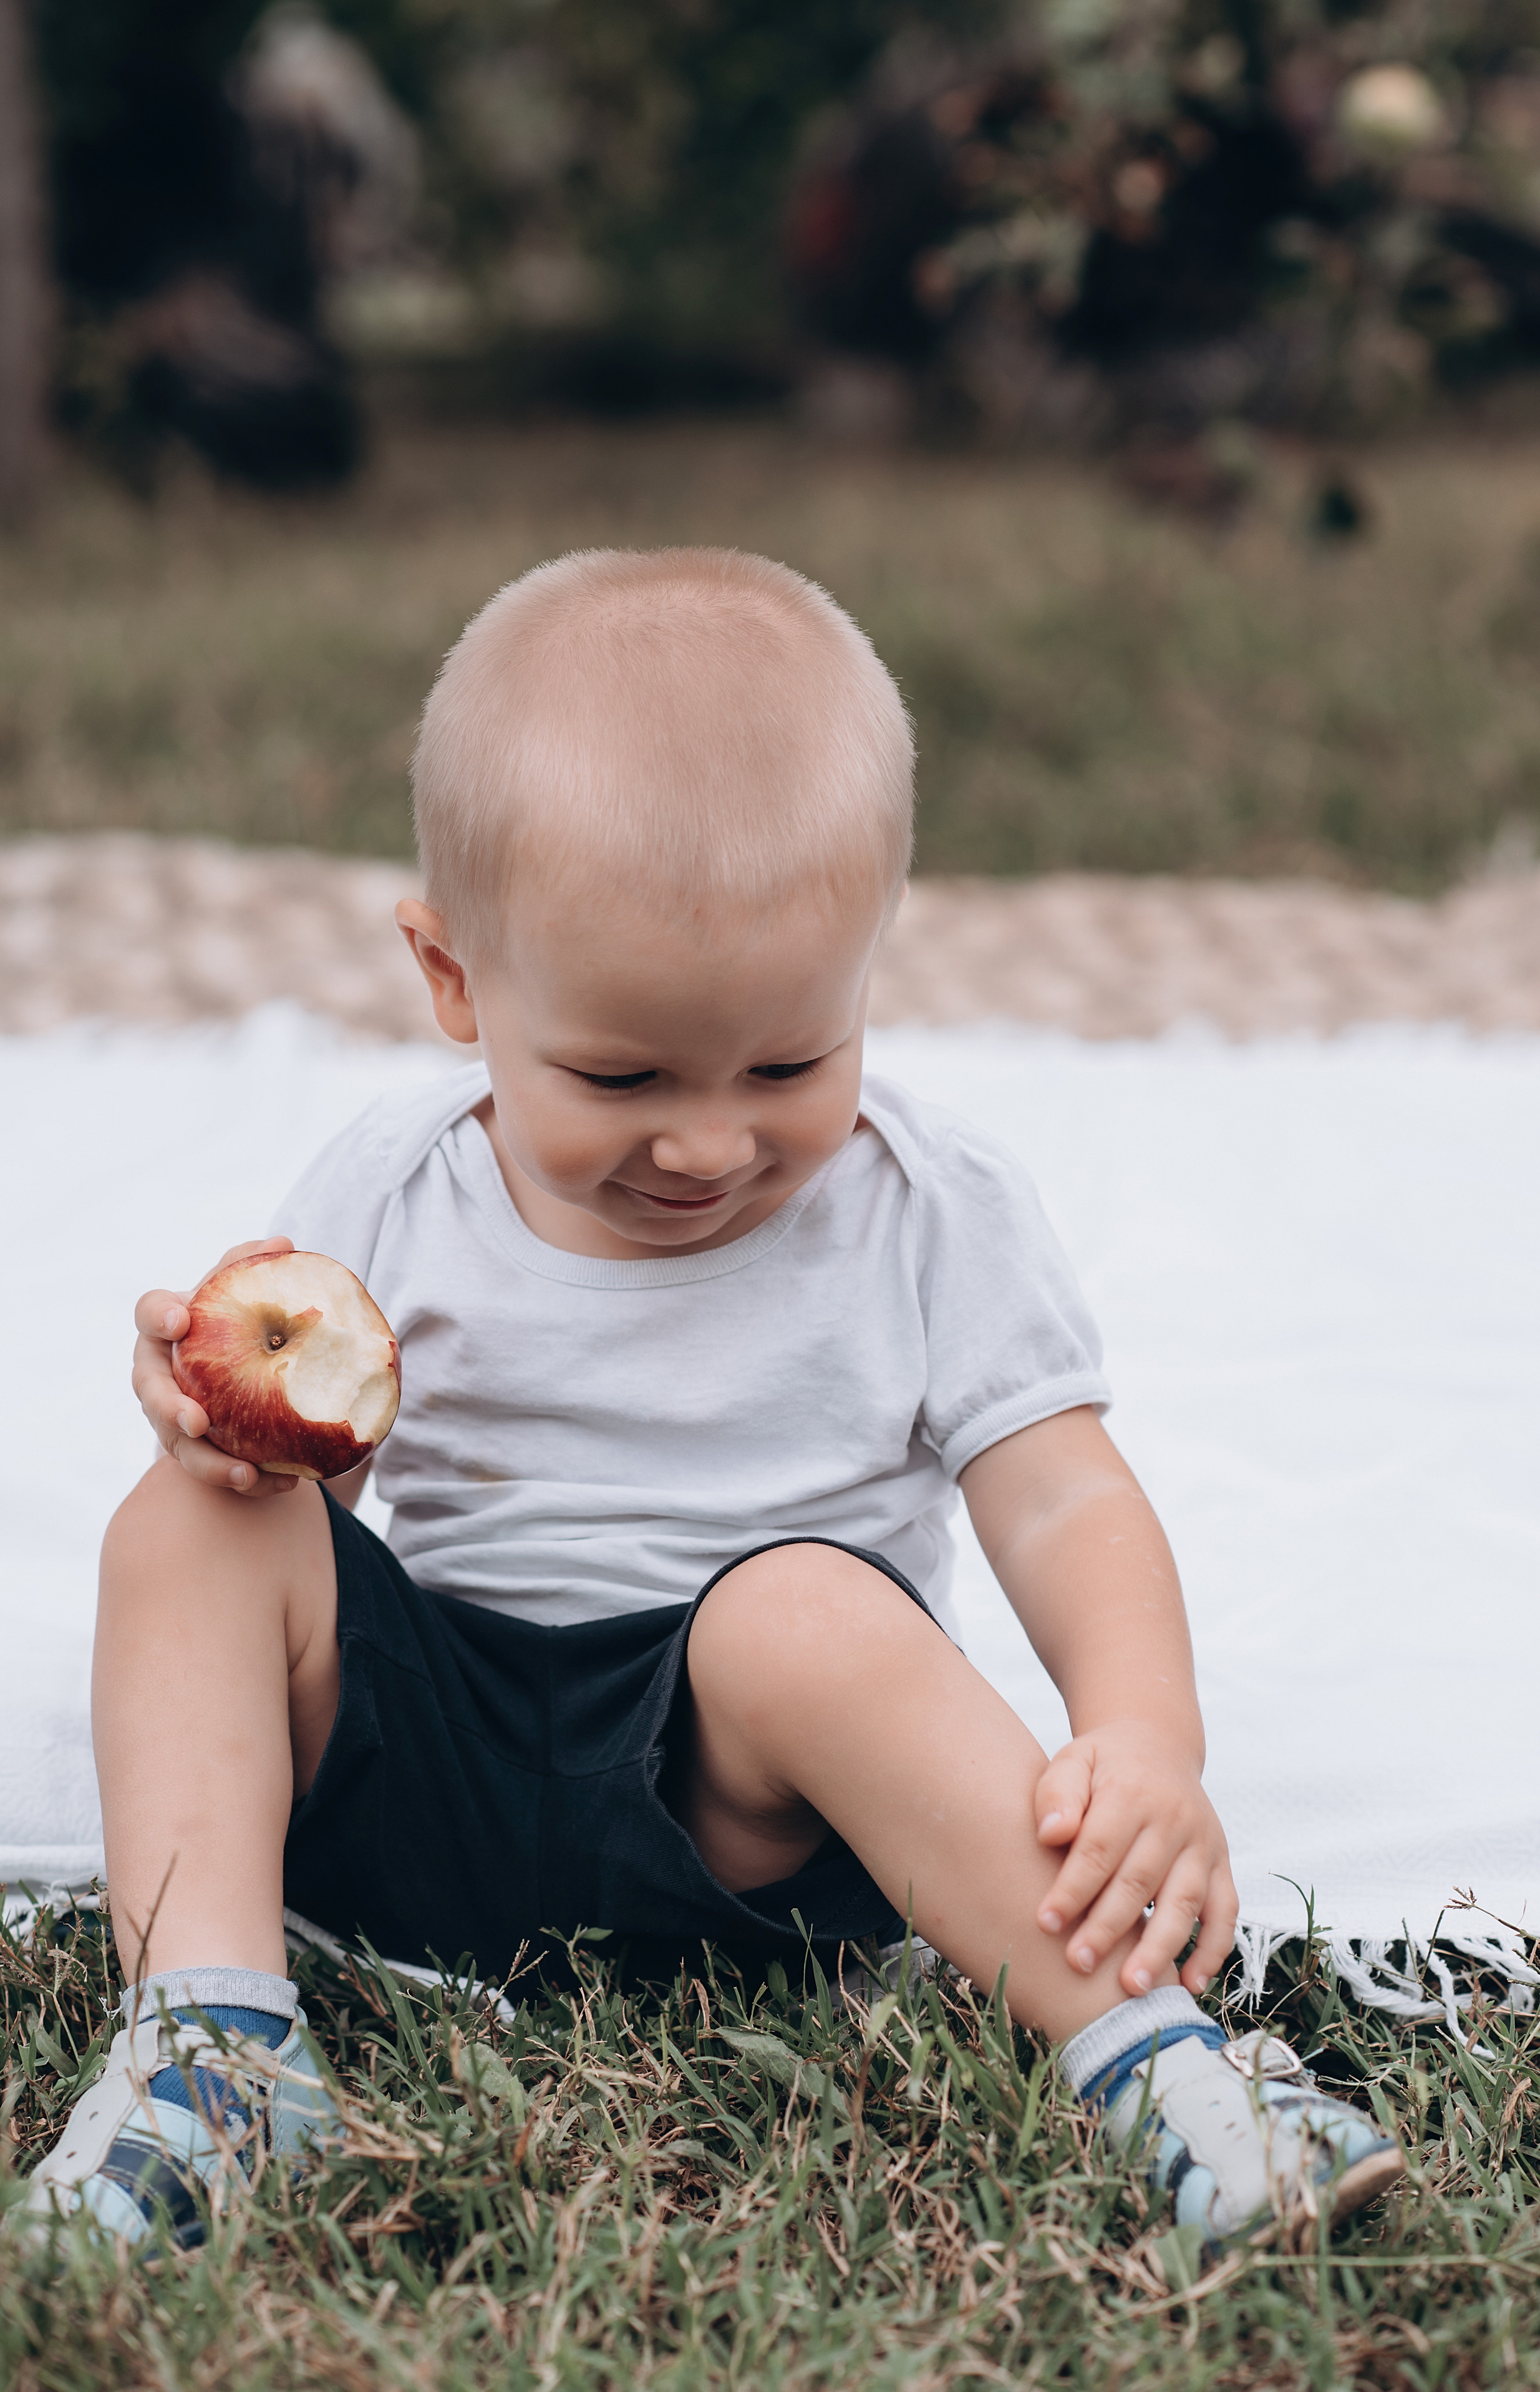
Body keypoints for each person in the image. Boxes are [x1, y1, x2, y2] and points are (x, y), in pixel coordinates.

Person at [23, 548, 1402, 2260]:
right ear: (456, 981)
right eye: (620, 1075)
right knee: (188, 1527)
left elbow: (1061, 1498)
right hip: (421, 1765)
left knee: (804, 1605)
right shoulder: (392, 1182)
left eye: (789, 1064)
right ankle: (216, 2039)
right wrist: (222, 1436)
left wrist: (1141, 1729)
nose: (705, 1141)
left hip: (738, 1814)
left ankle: (1158, 2054)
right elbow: (317, 1489)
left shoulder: (927, 1207)